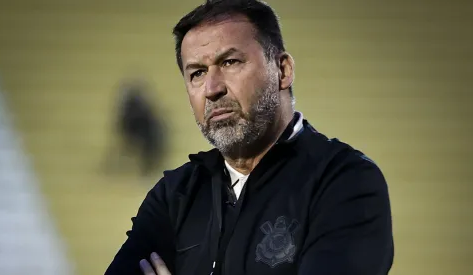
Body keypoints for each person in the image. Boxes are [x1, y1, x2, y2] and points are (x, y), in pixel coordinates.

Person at [105, 0, 394, 274]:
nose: (212, 88)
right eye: (197, 73)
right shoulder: (174, 196)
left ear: (283, 70)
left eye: (230, 62)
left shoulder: (344, 181)